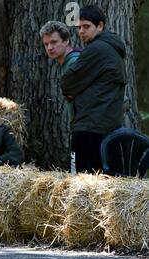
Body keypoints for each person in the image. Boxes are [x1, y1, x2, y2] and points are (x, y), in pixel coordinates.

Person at [61, 5, 126, 174]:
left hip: (90, 127)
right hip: (105, 126)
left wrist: (73, 93)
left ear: (100, 26)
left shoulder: (97, 48)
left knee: (81, 184)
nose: (81, 31)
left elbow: (67, 83)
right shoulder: (111, 47)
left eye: (86, 26)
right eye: (78, 27)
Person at [40, 21, 82, 173]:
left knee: (79, 173)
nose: (50, 47)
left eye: (54, 42)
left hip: (85, 127)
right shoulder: (68, 62)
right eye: (46, 44)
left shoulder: (74, 62)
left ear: (66, 41)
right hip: (82, 125)